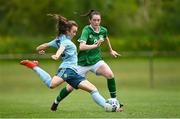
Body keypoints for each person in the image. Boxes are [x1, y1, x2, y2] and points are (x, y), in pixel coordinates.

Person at [20, 14, 108, 111]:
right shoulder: (66, 42)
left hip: (74, 72)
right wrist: (57, 55)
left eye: (76, 32)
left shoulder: (58, 39)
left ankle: (108, 106)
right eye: (74, 32)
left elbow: (45, 45)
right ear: (67, 31)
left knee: (92, 89)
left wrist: (38, 49)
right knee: (51, 84)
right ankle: (34, 66)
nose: (75, 34)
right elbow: (62, 48)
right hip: (67, 69)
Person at [50, 10, 123, 111]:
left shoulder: (103, 30)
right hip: (82, 63)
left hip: (96, 61)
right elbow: (81, 47)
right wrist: (95, 45)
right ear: (90, 20)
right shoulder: (86, 30)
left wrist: (111, 50)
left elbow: (106, 37)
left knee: (110, 74)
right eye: (94, 20)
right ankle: (56, 102)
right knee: (70, 87)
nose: (96, 22)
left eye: (98, 20)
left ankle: (114, 101)